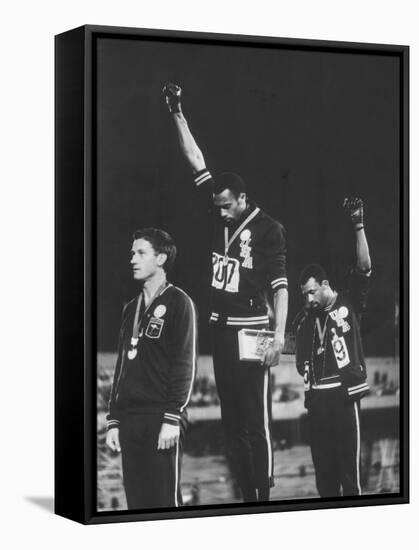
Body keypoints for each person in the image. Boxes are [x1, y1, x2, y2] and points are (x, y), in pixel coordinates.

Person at [163, 83, 288, 502]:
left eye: (226, 206)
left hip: (255, 330)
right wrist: (176, 112)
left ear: (243, 200)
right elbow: (195, 159)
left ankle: (263, 495)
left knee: (257, 419)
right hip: (220, 327)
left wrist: (281, 337)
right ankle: (243, 494)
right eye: (216, 205)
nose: (219, 212)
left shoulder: (270, 230)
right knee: (231, 418)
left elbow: (281, 288)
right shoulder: (218, 209)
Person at [106, 228, 197, 509]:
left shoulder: (179, 302)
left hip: (162, 418)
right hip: (130, 421)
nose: (132, 258)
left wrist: (172, 417)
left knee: (164, 504)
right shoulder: (130, 308)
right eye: (132, 253)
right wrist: (114, 420)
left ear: (161, 258)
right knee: (136, 504)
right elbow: (121, 366)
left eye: (141, 253)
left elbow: (185, 365)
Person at [296, 198, 371, 497]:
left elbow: (364, 267)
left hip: (343, 397)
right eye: (305, 294)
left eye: (312, 292)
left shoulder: (349, 302)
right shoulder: (305, 319)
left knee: (349, 480)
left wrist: (358, 225)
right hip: (316, 403)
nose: (309, 299)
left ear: (325, 284)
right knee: (324, 483)